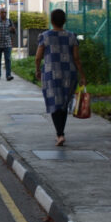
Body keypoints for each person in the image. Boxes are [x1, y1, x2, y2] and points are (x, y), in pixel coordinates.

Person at [34, 9, 86, 146]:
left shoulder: (45, 36)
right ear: (64, 21)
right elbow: (77, 58)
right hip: (69, 74)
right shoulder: (72, 36)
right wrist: (82, 75)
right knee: (64, 103)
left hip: (51, 74)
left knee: (54, 103)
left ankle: (60, 134)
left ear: (51, 21)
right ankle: (61, 133)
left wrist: (37, 70)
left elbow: (38, 57)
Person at [0, 8, 16, 81]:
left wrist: (13, 29)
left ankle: (8, 75)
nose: (4, 14)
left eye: (5, 12)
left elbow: (14, 31)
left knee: (8, 59)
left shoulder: (9, 21)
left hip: (7, 43)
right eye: (2, 12)